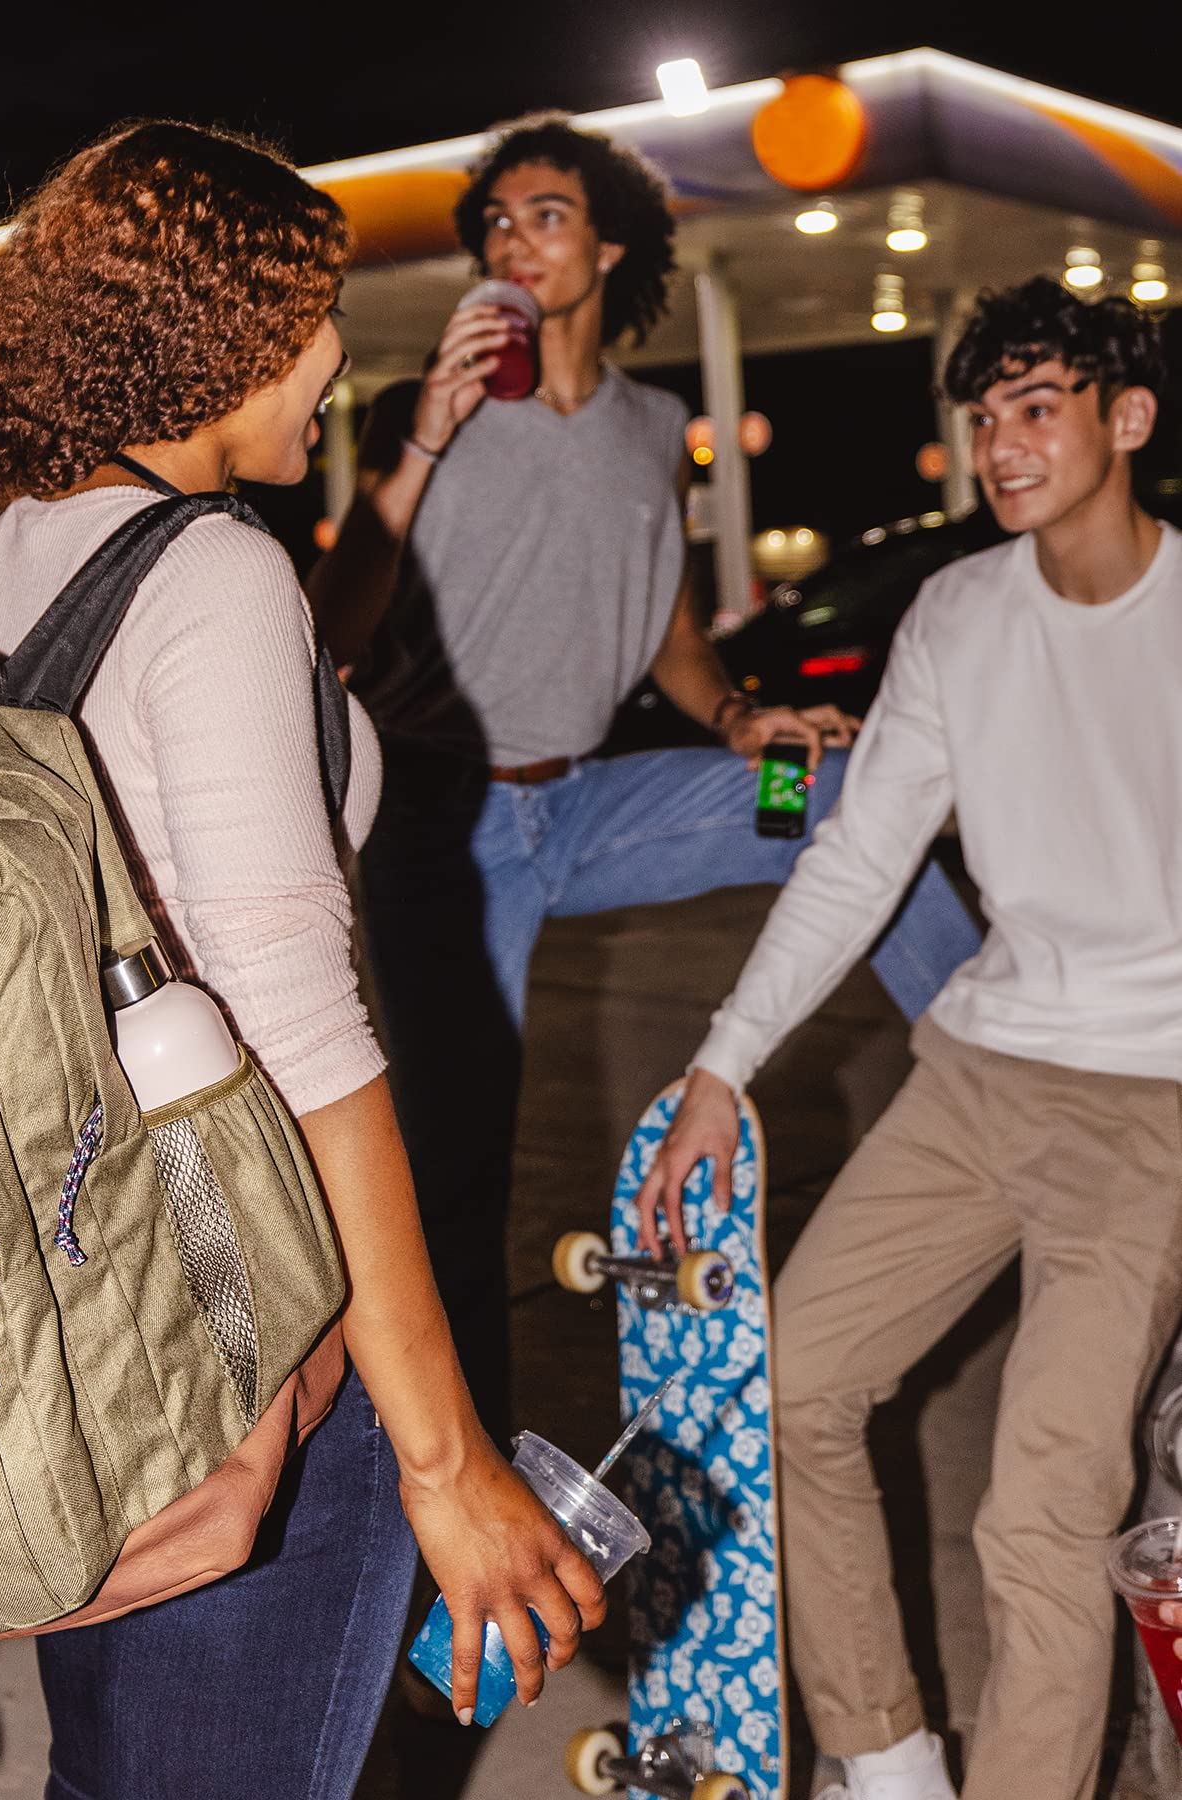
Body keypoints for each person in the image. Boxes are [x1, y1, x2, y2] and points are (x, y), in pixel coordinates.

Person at [0, 122, 604, 1799]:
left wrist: (404, 468)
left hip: (89, 1284)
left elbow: (283, 670)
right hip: (255, 1312)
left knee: (122, 1764)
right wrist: (444, 1460)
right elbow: (306, 1045)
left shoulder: (19, 550)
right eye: (310, 308)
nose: (336, 350)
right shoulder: (210, 576)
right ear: (215, 330)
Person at [307, 114, 981, 1432]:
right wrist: (428, 436)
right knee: (458, 1162)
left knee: (825, 796)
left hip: (595, 804)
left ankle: (981, 1051)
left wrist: (736, 716)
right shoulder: (413, 414)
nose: (513, 243)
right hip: (454, 826)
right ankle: (458, 1473)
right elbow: (335, 623)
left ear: (606, 244)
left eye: (542, 216)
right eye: (495, 224)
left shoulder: (653, 424)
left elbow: (667, 624)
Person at [635, 276, 1182, 1800]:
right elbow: (856, 858)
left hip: (1157, 1109)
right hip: (981, 1074)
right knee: (791, 1384)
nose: (1002, 444)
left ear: (1126, 419)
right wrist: (716, 1069)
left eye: (1039, 406)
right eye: (984, 415)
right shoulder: (957, 614)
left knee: (1040, 1514)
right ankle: (885, 1761)